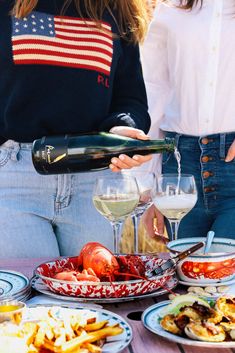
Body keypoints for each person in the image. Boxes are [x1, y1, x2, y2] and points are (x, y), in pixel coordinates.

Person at [0, 0, 152, 258]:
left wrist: (122, 129)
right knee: (28, 296)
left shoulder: (119, 8)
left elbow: (131, 99)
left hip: (95, 183)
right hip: (17, 177)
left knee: (92, 293)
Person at [141, 0, 235, 242]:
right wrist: (150, 187)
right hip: (180, 167)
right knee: (186, 275)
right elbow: (153, 91)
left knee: (225, 272)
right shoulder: (170, 7)